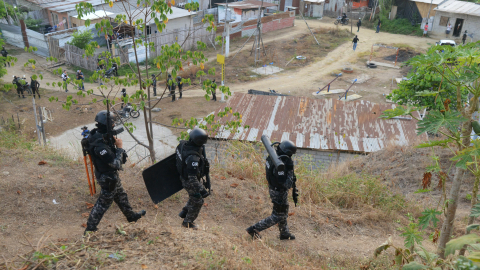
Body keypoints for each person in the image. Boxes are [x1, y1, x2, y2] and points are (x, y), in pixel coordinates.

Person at [84, 110, 146, 234]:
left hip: (109, 175)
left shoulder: (97, 134)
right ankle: (90, 228)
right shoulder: (100, 146)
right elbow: (116, 164)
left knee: (121, 195)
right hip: (107, 177)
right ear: (108, 125)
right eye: (113, 123)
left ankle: (131, 216)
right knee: (103, 203)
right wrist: (120, 148)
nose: (114, 125)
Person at [246, 140, 298, 240]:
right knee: (277, 215)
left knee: (284, 210)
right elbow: (287, 184)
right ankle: (254, 229)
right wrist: (290, 170)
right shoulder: (280, 164)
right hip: (278, 191)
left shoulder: (274, 157)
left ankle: (284, 233)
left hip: (275, 189)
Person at [176, 127, 210, 229]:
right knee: (198, 200)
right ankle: (187, 222)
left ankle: (185, 211)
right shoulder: (193, 158)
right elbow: (192, 178)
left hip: (183, 176)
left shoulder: (183, 145)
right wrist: (202, 190)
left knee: (194, 196)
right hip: (188, 180)